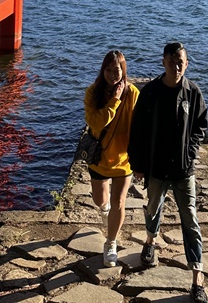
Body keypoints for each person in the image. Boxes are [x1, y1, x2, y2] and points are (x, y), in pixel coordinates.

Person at [128, 42, 208, 303]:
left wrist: (191, 151)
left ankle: (197, 275)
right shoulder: (150, 92)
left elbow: (200, 125)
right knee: (153, 207)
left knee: (191, 220)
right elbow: (137, 129)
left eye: (181, 62)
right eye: (172, 61)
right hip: (156, 167)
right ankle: (150, 241)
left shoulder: (193, 93)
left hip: (184, 169)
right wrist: (137, 164)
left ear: (187, 63)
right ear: (162, 61)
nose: (176, 67)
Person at [84, 50, 139, 267]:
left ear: (123, 70)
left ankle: (111, 242)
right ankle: (103, 206)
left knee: (119, 202)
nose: (112, 74)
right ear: (102, 70)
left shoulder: (133, 93)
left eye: (116, 69)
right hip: (99, 158)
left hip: (123, 160)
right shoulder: (93, 93)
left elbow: (138, 125)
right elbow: (96, 124)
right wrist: (114, 101)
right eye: (108, 69)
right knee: (100, 200)